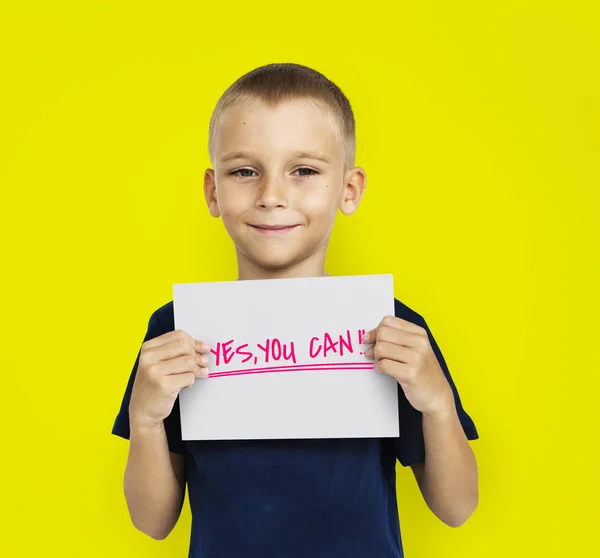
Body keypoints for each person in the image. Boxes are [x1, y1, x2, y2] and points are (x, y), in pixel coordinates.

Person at [112, 62, 479, 558]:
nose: (272, 197)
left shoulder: (392, 327)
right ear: (212, 190)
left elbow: (457, 507)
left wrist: (436, 402)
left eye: (303, 171)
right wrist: (146, 420)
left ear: (348, 190)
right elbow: (153, 522)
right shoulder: (177, 330)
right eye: (245, 171)